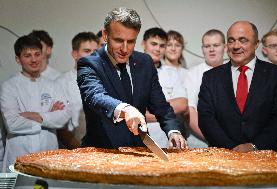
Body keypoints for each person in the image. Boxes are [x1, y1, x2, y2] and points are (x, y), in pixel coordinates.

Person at [77, 7, 187, 149]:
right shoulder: (90, 64)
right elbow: (95, 96)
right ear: (105, 35)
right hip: (102, 152)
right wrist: (125, 109)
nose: (124, 48)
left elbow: (161, 106)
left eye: (130, 41)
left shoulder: (145, 62)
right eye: (118, 40)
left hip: (139, 150)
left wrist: (173, 131)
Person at [198, 21, 277, 152]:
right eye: (231, 41)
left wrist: (254, 146)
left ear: (256, 44)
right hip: (223, 156)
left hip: (265, 156)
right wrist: (231, 149)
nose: (236, 46)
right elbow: (206, 119)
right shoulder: (210, 77)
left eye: (243, 40)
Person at [0, 35, 70, 171]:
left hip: (48, 152)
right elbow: (12, 124)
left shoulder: (53, 85)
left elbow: (63, 118)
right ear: (18, 59)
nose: (34, 60)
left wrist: (35, 115)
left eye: (37, 54)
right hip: (19, 153)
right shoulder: (9, 86)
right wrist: (49, 116)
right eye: (27, 55)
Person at [141, 27, 188, 147]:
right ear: (143, 44)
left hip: (166, 141)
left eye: (162, 46)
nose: (158, 49)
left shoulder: (171, 72)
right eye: (154, 44)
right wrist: (164, 111)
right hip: (138, 140)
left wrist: (146, 112)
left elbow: (182, 104)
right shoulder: (129, 70)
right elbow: (129, 109)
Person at [56, 32, 99, 149]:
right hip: (72, 149)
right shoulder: (61, 83)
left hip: (102, 150)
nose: (92, 55)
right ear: (75, 54)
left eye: (95, 51)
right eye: (87, 51)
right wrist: (79, 149)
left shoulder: (106, 81)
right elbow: (60, 125)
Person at [185, 29, 226, 148]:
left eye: (216, 45)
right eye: (207, 46)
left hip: (233, 143)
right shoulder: (192, 74)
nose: (211, 49)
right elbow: (189, 111)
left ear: (225, 47)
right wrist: (215, 139)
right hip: (200, 142)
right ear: (202, 49)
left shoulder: (234, 72)